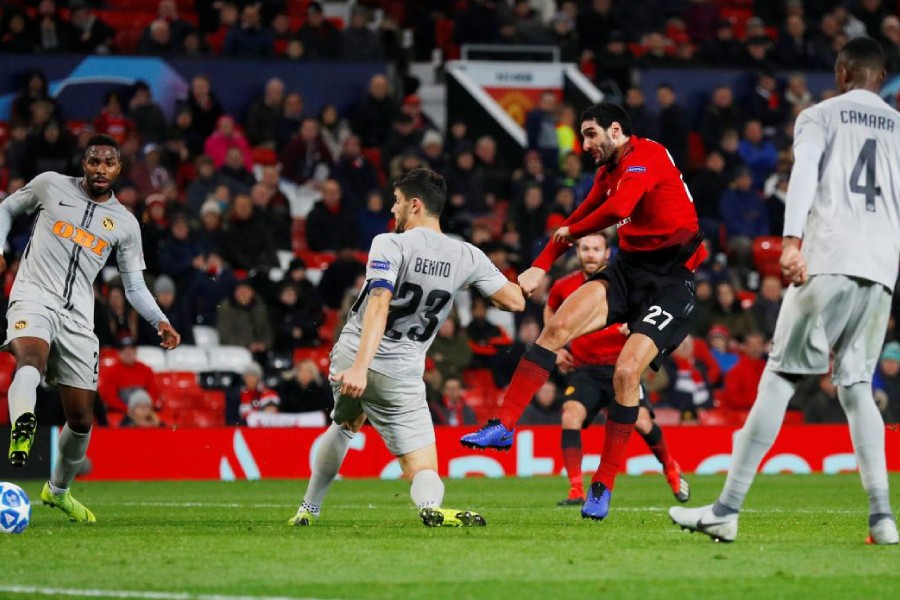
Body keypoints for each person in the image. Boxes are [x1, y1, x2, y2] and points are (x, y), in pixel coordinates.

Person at [670, 38, 900, 546]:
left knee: (778, 377)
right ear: (880, 78)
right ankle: (883, 519)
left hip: (831, 258)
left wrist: (792, 242)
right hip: (882, 269)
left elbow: (803, 176)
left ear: (842, 73)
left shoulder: (820, 115)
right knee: (858, 387)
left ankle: (726, 510)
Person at [460, 102, 706, 522]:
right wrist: (541, 263)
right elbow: (580, 216)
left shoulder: (648, 155)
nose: (585, 144)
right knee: (556, 328)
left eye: (591, 134)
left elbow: (615, 210)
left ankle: (602, 485)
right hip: (630, 270)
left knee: (627, 373)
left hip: (671, 281)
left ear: (615, 130)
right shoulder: (606, 173)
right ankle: (503, 426)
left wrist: (569, 233)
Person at [288, 168, 525, 528]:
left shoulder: (389, 243)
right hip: (402, 372)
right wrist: (521, 281)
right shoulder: (468, 256)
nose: (393, 210)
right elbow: (515, 302)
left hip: (355, 355)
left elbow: (379, 302)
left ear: (415, 205)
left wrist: (360, 368)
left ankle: (309, 509)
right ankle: (429, 506)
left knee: (344, 424)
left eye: (397, 203)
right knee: (422, 468)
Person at [0, 134, 181, 523]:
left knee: (81, 420)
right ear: (83, 163)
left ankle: (58, 490)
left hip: (80, 318)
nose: (100, 169)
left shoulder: (126, 225)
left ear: (119, 169)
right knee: (30, 355)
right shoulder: (50, 185)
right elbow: (6, 209)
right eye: (94, 161)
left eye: (109, 163)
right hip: (33, 296)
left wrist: (160, 321)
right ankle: (23, 424)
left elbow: (133, 287)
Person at [548, 233, 690, 506]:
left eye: (596, 249)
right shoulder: (564, 287)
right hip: (586, 369)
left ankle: (671, 468)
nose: (590, 254)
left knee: (642, 423)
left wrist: (638, 328)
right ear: (577, 251)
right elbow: (551, 308)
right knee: (570, 416)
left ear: (607, 253)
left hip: (622, 369)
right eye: (585, 248)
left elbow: (657, 317)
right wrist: (556, 348)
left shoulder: (628, 284)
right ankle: (576, 490)